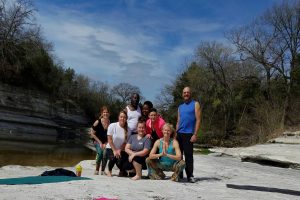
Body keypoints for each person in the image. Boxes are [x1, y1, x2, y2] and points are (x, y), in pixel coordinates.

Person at [176, 87, 201, 183]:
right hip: (179, 133)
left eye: (188, 92)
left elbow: (198, 120)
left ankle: (190, 175)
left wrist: (195, 134)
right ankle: (179, 173)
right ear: (182, 94)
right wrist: (175, 133)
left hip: (189, 134)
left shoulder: (195, 104)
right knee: (179, 155)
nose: (186, 94)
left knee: (188, 156)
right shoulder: (180, 107)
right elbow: (178, 121)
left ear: (190, 94)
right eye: (184, 92)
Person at [106, 110, 128, 177]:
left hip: (121, 149)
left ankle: (122, 171)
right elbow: (110, 140)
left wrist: (119, 150)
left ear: (126, 118)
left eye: (124, 117)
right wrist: (114, 150)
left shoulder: (127, 129)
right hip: (110, 147)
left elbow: (125, 142)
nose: (122, 118)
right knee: (113, 157)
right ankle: (109, 170)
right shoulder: (113, 125)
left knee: (120, 162)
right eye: (121, 117)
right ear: (118, 117)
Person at [90, 106, 110, 175]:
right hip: (96, 141)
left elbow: (110, 136)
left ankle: (103, 170)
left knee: (105, 153)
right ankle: (97, 170)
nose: (105, 114)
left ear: (109, 113)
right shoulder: (97, 122)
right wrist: (100, 142)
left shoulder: (110, 124)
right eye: (104, 112)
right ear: (101, 113)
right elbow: (92, 133)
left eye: (107, 112)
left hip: (105, 142)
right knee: (101, 152)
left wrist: (106, 143)